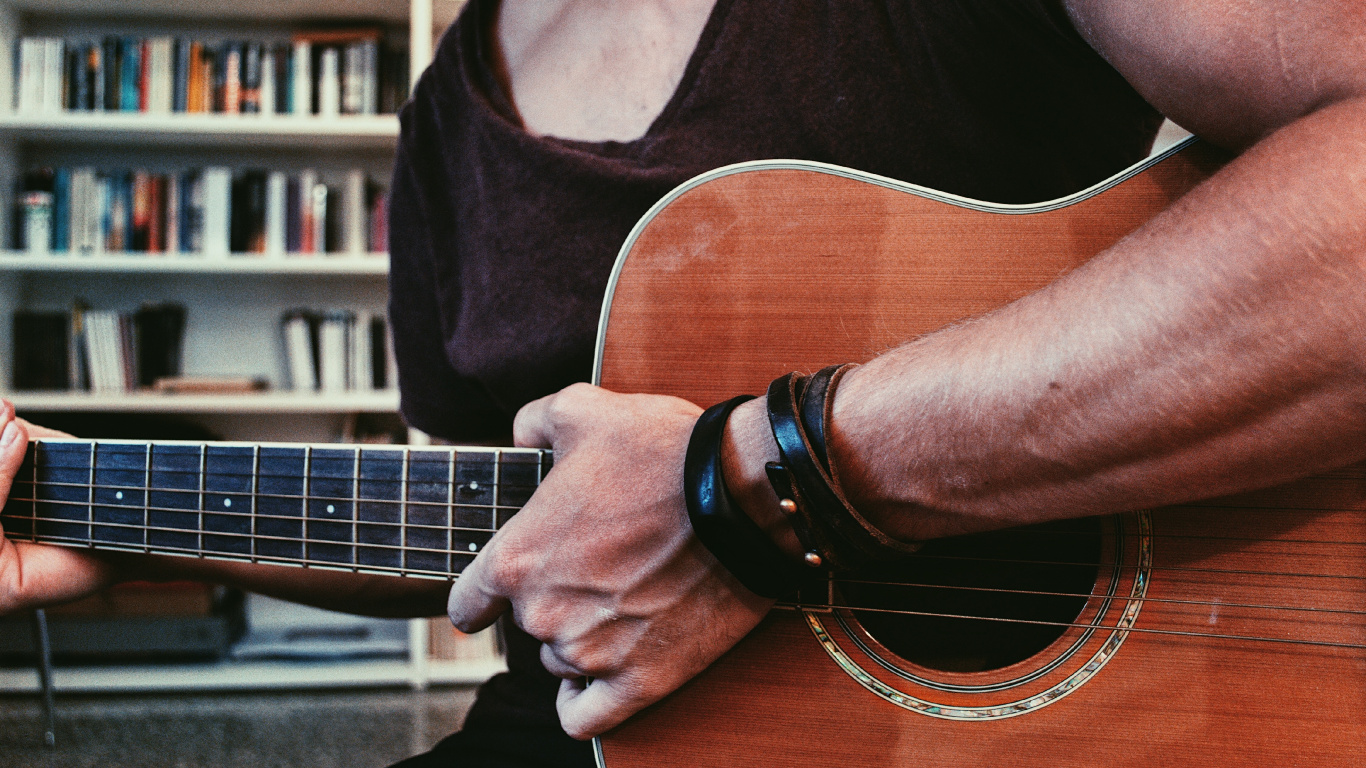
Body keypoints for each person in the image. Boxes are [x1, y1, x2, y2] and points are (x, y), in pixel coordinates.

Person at [2, 0, 1364, 766]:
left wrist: (757, 490)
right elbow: (523, 532)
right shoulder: (445, 110)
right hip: (609, 740)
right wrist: (102, 513)